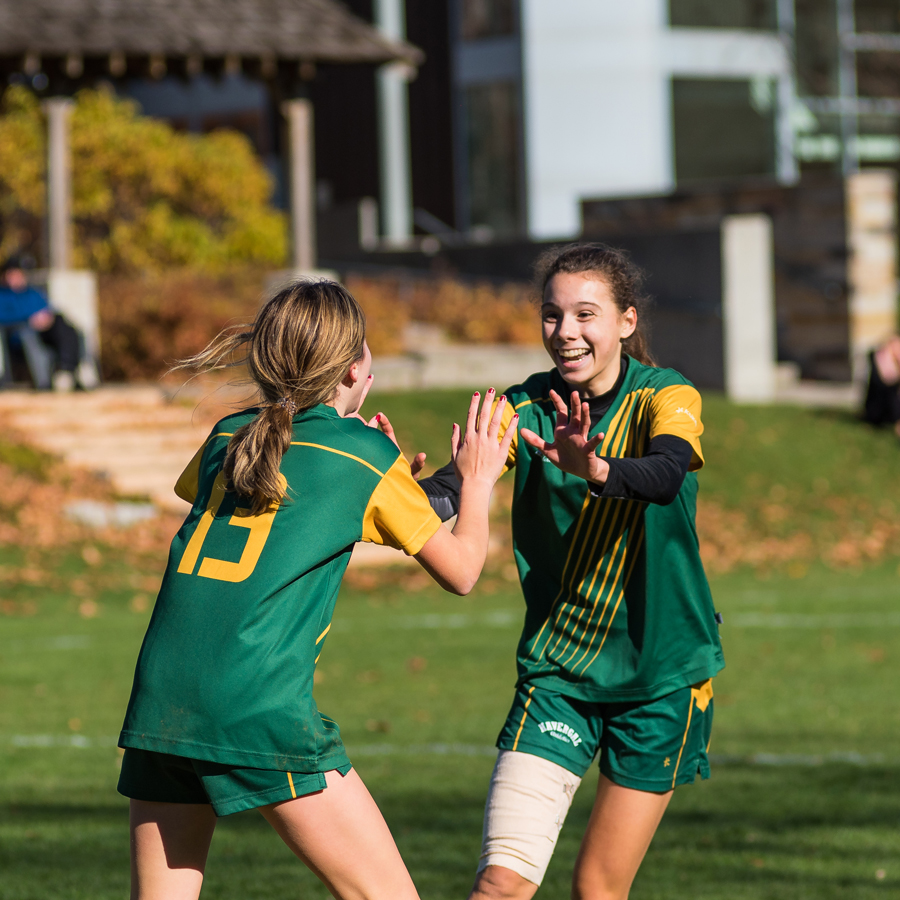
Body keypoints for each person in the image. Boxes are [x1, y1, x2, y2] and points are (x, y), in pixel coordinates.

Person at [116, 279, 516, 900]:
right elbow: (463, 571)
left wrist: (385, 489)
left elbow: (286, 525)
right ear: (357, 366)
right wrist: (479, 479)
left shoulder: (227, 435)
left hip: (162, 698)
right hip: (254, 701)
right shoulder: (360, 453)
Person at [418, 243, 725, 900]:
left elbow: (667, 474)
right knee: (500, 886)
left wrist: (596, 469)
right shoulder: (520, 409)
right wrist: (381, 483)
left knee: (596, 890)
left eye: (587, 314)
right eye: (552, 315)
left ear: (627, 322)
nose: (566, 332)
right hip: (559, 675)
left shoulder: (664, 396)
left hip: (661, 677)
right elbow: (449, 489)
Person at [0, 253, 97, 391]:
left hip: (43, 332)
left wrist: (46, 318)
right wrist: (29, 319)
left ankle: (69, 371)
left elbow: (47, 310)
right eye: (11, 274)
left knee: (64, 324)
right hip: (19, 336)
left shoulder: (33, 293)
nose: (15, 278)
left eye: (18, 274)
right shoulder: (2, 295)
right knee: (29, 333)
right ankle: (54, 379)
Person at [862, 334, 900, 437]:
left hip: (887, 408)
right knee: (892, 395)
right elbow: (885, 385)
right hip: (878, 408)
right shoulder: (880, 359)